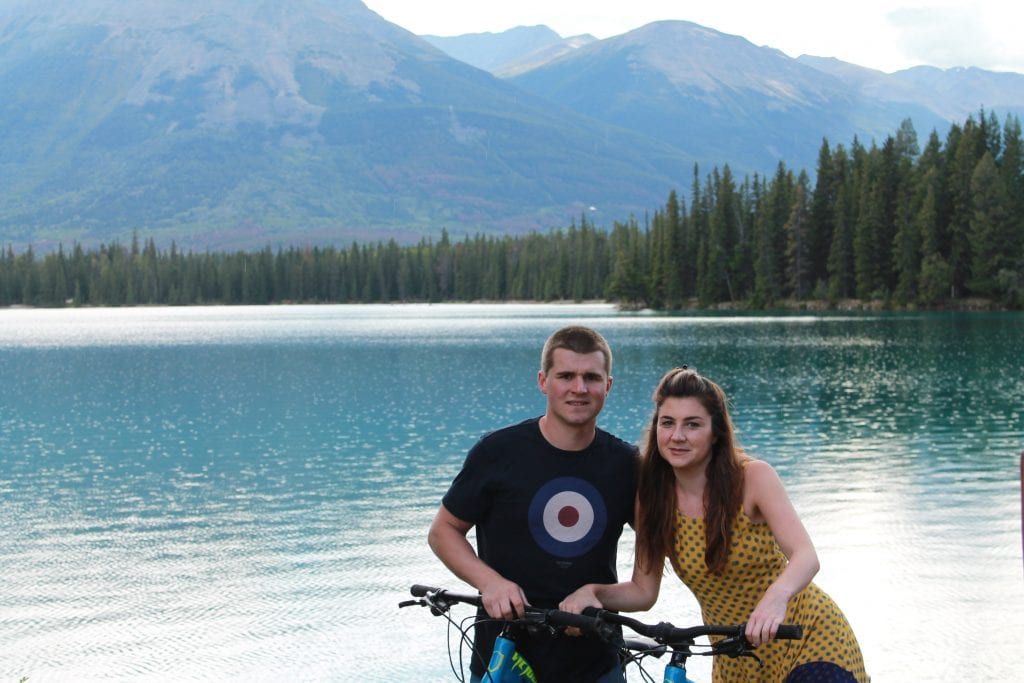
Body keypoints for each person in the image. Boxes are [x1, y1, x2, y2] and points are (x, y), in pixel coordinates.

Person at [561, 367, 868, 682]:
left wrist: (776, 598)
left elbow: (806, 556)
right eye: (667, 423)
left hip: (806, 636)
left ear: (715, 432)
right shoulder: (652, 498)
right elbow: (643, 592)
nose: (677, 436)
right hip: (736, 655)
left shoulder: (752, 478)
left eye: (692, 424)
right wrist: (593, 592)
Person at [428, 325, 638, 682]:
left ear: (608, 385)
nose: (579, 388)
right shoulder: (497, 452)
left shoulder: (627, 464)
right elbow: (443, 531)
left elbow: (659, 560)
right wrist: (490, 582)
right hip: (504, 658)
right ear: (543, 381)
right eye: (566, 376)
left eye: (591, 377)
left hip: (596, 663)